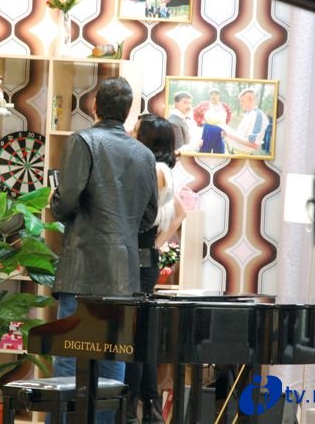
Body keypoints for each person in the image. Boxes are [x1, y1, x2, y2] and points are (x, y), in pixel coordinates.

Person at [49, 77, 158, 423]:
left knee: (69, 361)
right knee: (113, 364)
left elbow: (66, 202)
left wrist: (54, 200)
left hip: (82, 268)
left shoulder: (83, 141)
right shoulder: (144, 154)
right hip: (123, 275)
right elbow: (149, 217)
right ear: (128, 111)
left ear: (95, 105)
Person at [125, 114, 186, 424]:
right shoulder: (163, 169)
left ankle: (134, 410)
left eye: (135, 130)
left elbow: (139, 214)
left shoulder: (155, 170)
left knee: (134, 338)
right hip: (144, 257)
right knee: (140, 337)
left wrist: (153, 244)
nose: (129, 132)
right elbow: (178, 214)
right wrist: (156, 244)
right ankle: (147, 410)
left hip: (139, 259)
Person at [221, 88, 270, 155]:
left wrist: (231, 135)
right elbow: (242, 135)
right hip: (235, 152)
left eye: (242, 100)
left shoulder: (258, 116)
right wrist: (228, 134)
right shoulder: (248, 113)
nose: (240, 104)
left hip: (242, 155)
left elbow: (254, 144)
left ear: (250, 98)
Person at [193, 88, 232, 154]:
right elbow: (194, 112)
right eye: (212, 94)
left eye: (216, 94)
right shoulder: (204, 104)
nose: (214, 96)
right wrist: (201, 121)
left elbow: (229, 114)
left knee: (220, 152)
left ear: (219, 96)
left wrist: (225, 125)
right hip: (207, 129)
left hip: (220, 129)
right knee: (204, 151)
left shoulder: (224, 105)